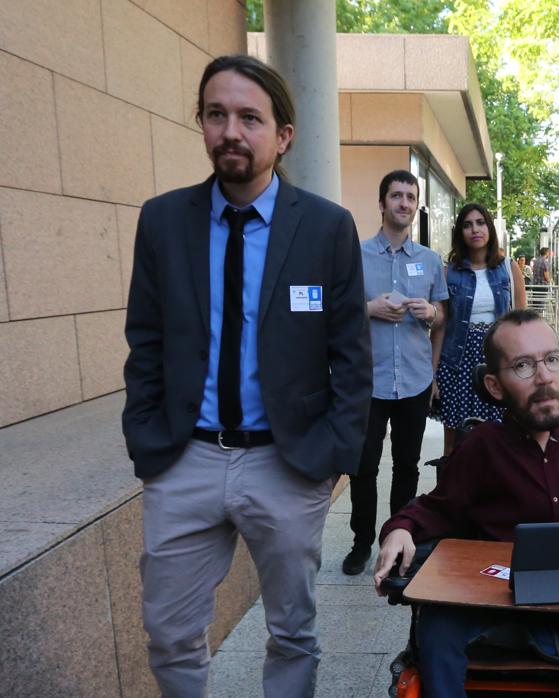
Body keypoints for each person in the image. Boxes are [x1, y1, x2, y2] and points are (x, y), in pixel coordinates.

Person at [121, 55, 371, 696]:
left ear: (282, 135)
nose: (231, 130)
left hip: (285, 464)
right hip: (185, 458)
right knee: (170, 635)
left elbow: (351, 353)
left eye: (249, 118)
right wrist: (147, 439)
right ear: (202, 123)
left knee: (293, 632)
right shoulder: (163, 221)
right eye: (216, 114)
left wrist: (331, 455)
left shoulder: (325, 227)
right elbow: (144, 339)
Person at [375, 310, 559, 698]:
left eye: (551, 359)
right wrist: (400, 528)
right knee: (435, 632)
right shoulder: (482, 447)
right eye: (523, 366)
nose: (545, 376)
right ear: (495, 386)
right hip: (489, 597)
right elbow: (436, 508)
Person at [342, 170, 449, 576]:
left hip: (415, 380)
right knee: (363, 465)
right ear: (382, 203)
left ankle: (397, 539)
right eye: (396, 195)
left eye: (410, 196)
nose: (403, 203)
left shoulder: (429, 260)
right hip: (368, 381)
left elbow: (442, 321)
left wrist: (432, 312)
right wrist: (368, 308)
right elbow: (336, 313)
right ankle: (360, 542)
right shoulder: (356, 256)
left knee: (406, 465)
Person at [430, 203, 527, 456]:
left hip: (498, 360)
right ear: (460, 232)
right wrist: (433, 375)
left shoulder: (508, 268)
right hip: (458, 363)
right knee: (454, 442)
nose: (475, 229)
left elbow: (522, 320)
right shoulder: (449, 272)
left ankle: (495, 494)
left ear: (490, 228)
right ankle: (453, 494)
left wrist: (525, 366)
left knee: (501, 437)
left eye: (480, 223)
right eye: (467, 224)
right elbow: (441, 328)